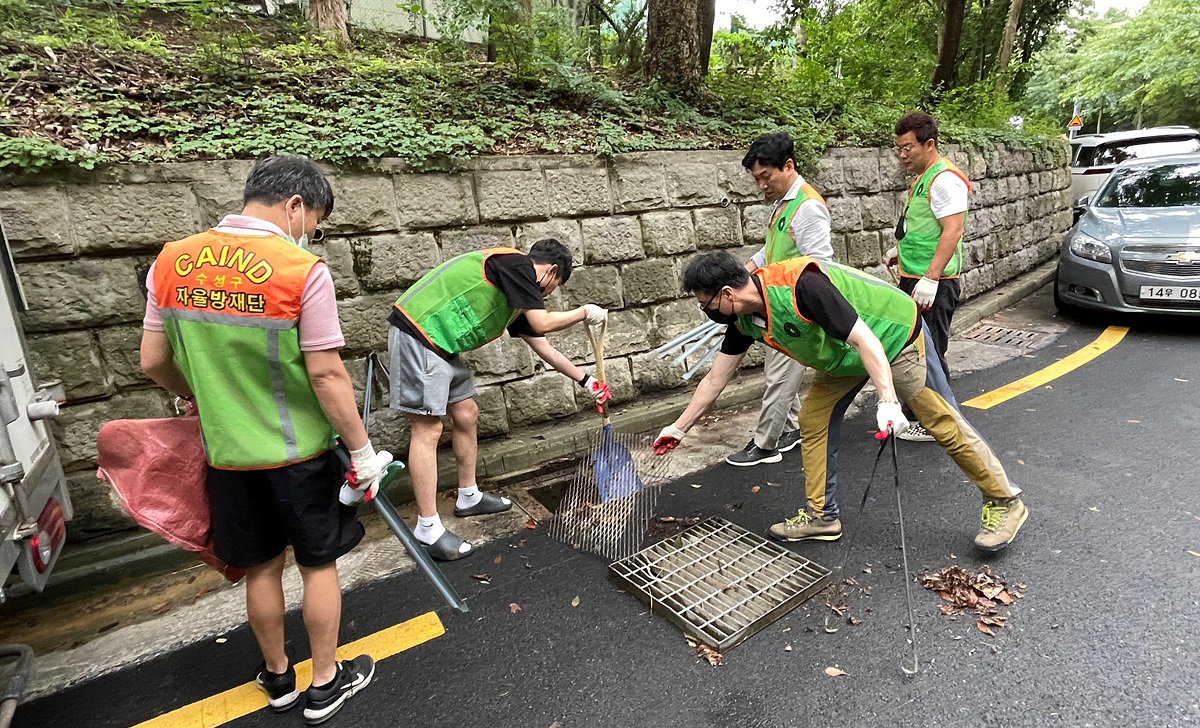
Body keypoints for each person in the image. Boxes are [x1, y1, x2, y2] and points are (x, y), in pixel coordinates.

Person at [140, 156, 379, 724]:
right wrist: (362, 450)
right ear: (295, 205)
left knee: (262, 570)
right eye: (314, 221)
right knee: (317, 565)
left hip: (227, 456)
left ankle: (278, 678)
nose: (311, 233)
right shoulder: (300, 269)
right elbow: (327, 375)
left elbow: (153, 361)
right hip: (299, 456)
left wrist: (197, 395)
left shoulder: (170, 261)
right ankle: (325, 683)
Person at [653, 251, 1028, 553]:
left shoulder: (802, 286)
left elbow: (866, 340)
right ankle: (822, 517)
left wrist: (887, 401)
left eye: (705, 304)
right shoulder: (744, 320)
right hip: (844, 357)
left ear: (727, 294)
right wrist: (679, 428)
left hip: (892, 336)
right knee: (814, 419)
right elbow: (716, 378)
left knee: (938, 419)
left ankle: (1005, 501)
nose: (706, 312)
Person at [388, 240, 609, 561]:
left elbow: (545, 347)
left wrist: (587, 382)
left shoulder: (515, 291)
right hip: (417, 333)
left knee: (467, 412)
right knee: (427, 429)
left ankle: (468, 496)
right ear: (551, 272)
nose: (547, 295)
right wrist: (584, 312)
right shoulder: (517, 265)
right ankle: (427, 528)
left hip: (440, 344)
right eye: (553, 288)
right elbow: (543, 322)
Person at [728, 132, 834, 467]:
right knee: (779, 371)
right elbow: (771, 248)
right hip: (776, 304)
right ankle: (790, 429)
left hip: (794, 310)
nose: (761, 185)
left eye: (766, 176)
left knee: (779, 375)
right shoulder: (785, 203)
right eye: (756, 179)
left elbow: (820, 265)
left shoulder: (808, 207)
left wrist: (804, 307)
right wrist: (743, 273)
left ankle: (765, 444)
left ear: (788, 166)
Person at [885, 111, 971, 443]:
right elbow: (926, 229)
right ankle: (920, 414)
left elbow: (953, 231)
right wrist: (900, 251)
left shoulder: (944, 179)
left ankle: (939, 421)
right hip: (917, 278)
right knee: (917, 348)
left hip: (934, 284)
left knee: (929, 352)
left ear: (929, 144)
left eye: (908, 148)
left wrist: (931, 278)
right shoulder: (925, 178)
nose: (902, 155)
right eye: (898, 148)